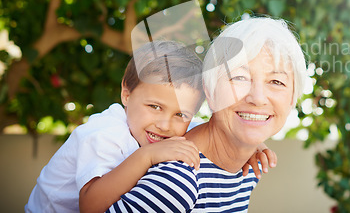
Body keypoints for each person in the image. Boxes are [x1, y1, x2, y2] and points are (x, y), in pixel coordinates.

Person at [26, 40, 276, 213]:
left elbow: (214, 128)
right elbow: (90, 207)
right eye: (154, 107)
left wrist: (251, 141)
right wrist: (147, 156)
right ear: (126, 94)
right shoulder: (103, 135)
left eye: (180, 114)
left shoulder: (175, 125)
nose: (166, 124)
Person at [107, 16, 307, 213]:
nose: (258, 98)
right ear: (209, 92)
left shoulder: (247, 171)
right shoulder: (177, 182)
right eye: (239, 77)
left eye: (276, 82)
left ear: (292, 99)